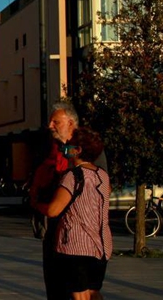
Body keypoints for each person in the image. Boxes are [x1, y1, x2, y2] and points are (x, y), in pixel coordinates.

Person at [30, 102, 105, 299]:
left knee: (80, 293)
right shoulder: (50, 148)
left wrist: (37, 201)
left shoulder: (88, 155)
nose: (50, 126)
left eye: (56, 122)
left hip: (76, 239)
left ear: (71, 123)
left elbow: (58, 205)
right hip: (58, 235)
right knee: (63, 290)